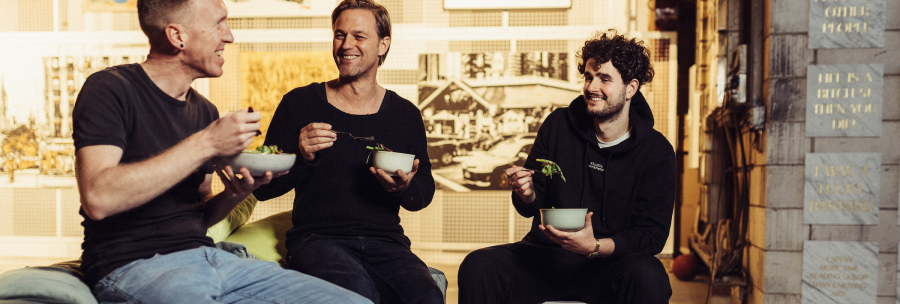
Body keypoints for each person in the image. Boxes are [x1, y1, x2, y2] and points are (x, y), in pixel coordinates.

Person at [72, 0, 371, 303]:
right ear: (177, 36)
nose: (229, 36)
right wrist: (208, 142)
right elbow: (98, 198)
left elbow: (199, 218)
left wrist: (235, 193)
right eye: (218, 23)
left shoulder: (204, 110)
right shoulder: (110, 88)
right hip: (134, 268)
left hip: (209, 258)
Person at [458, 30, 676, 304]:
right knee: (479, 265)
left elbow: (652, 235)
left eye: (604, 79)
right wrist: (527, 193)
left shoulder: (657, 151)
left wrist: (595, 246)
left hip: (609, 265)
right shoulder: (558, 125)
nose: (592, 87)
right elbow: (531, 203)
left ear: (630, 88)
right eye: (589, 77)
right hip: (546, 259)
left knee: (649, 276)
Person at [252, 1, 443, 303]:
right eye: (339, 35)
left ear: (383, 45)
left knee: (427, 295)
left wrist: (403, 188)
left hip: (387, 242)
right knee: (357, 293)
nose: (345, 45)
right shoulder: (298, 104)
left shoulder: (405, 114)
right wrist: (302, 156)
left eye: (359, 36)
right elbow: (262, 190)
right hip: (316, 241)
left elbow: (423, 193)